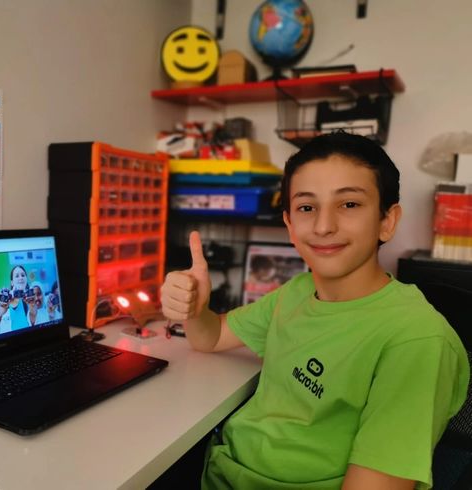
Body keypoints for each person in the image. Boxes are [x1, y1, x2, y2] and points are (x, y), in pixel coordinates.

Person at [160, 132, 469, 489]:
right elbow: (211, 337)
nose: (324, 226)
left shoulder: (417, 339)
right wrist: (195, 308)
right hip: (219, 472)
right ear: (290, 226)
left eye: (349, 204)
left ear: (387, 221)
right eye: (307, 208)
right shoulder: (297, 293)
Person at [0, 265, 31, 337]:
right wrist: (1, 308)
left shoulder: (30, 300)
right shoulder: (7, 299)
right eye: (17, 276)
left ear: (26, 279)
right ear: (12, 282)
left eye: (23, 275)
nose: (21, 278)